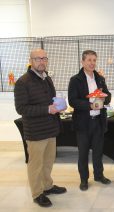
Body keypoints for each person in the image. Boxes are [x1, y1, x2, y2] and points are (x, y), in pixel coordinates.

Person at [14, 49, 67, 207]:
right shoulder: (23, 82)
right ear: (31, 60)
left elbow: (49, 100)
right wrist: (47, 109)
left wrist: (58, 105)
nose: (42, 61)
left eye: (44, 58)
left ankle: (47, 186)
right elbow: (21, 108)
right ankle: (37, 193)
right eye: (38, 59)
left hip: (50, 128)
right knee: (36, 165)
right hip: (36, 132)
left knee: (48, 161)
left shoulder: (47, 78)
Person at [68, 50, 112, 191]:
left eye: (94, 60)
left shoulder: (100, 78)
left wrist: (104, 98)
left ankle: (99, 176)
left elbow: (108, 96)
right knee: (83, 154)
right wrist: (90, 105)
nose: (92, 63)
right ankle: (84, 180)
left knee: (98, 152)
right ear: (83, 62)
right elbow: (72, 101)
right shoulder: (75, 80)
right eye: (89, 60)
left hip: (98, 121)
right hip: (83, 123)